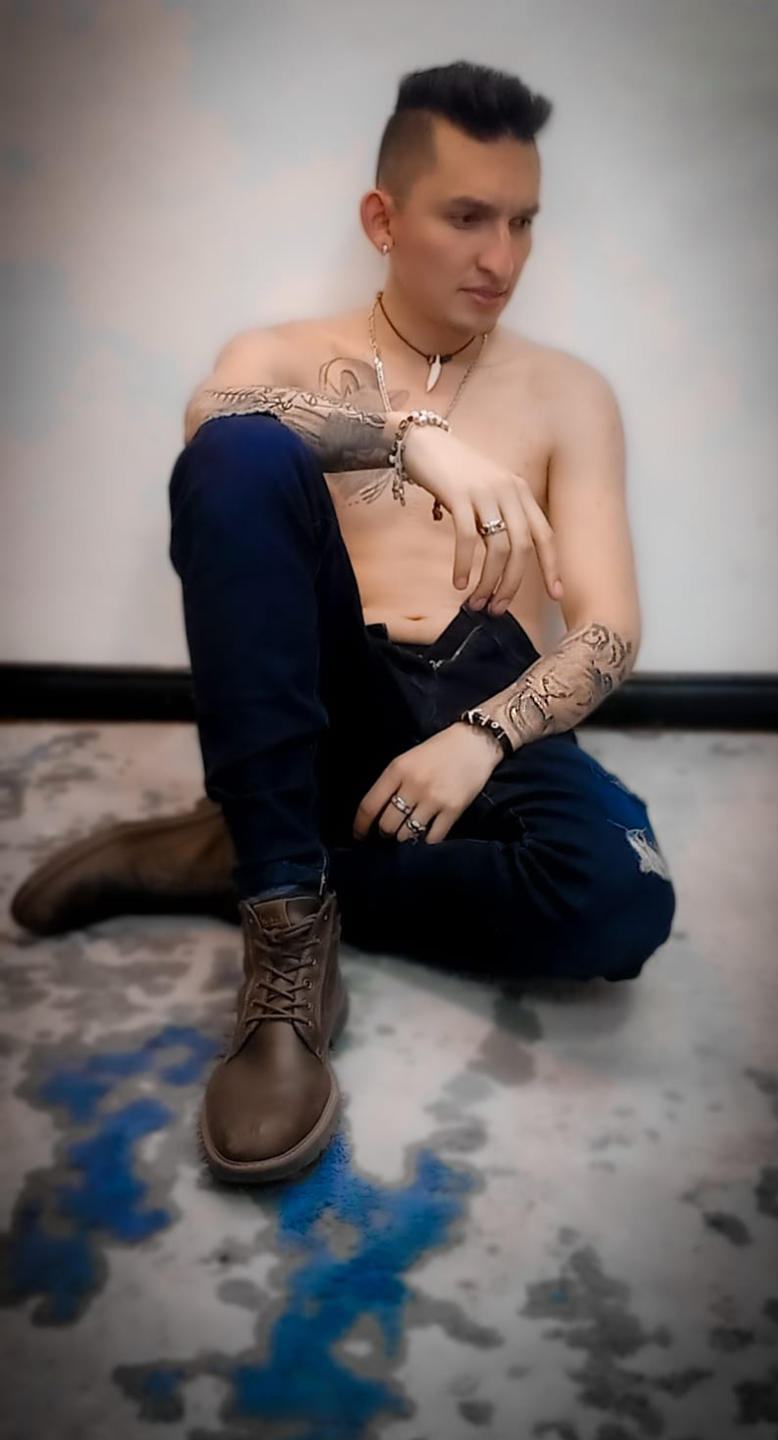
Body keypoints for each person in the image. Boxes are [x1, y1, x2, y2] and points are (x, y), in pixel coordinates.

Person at [10, 61, 677, 1186]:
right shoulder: (278, 355)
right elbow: (212, 423)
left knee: (624, 901)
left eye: (522, 222)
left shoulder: (569, 394)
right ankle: (283, 933)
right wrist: (406, 438)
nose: (501, 257)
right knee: (241, 454)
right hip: (324, 694)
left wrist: (484, 736)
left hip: (483, 693)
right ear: (383, 219)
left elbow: (609, 630)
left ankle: (243, 857)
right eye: (467, 217)